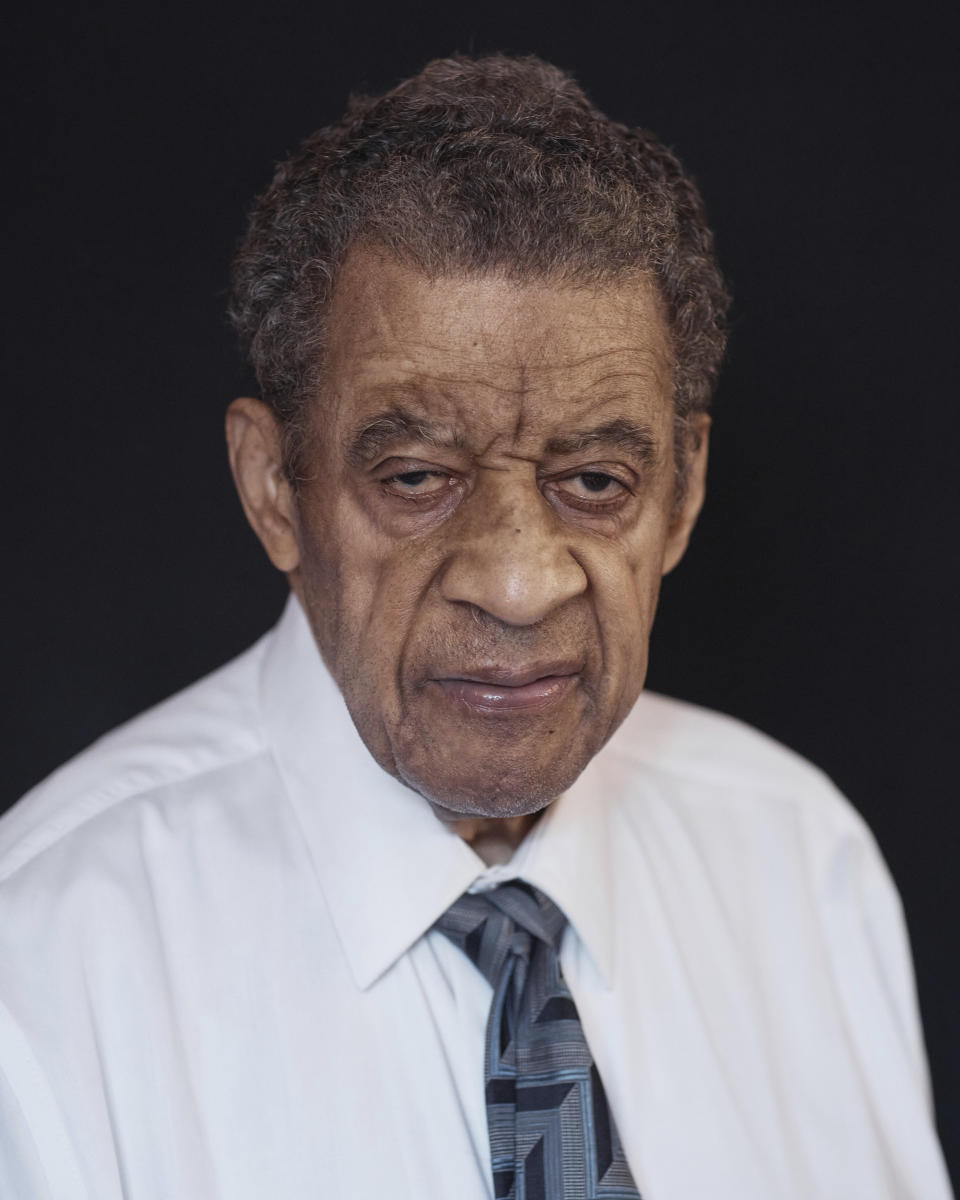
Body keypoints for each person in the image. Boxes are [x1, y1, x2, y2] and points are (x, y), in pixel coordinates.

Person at [0, 53, 951, 1200]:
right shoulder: (42, 970)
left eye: (595, 480)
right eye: (415, 477)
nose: (517, 584)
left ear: (685, 492)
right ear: (271, 489)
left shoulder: (798, 861)